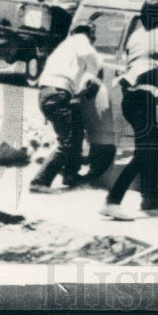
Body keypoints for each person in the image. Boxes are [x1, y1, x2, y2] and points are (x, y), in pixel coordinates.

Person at [101, 0, 158, 220]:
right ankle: (112, 201)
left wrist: (157, 86)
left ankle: (150, 196)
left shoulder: (136, 35)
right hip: (144, 101)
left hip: (131, 99)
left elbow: (137, 66)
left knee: (151, 145)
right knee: (146, 150)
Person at [29, 21, 104, 193]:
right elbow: (94, 61)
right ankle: (39, 181)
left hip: (50, 93)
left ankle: (71, 174)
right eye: (93, 34)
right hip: (58, 94)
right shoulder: (80, 41)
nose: (94, 38)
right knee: (68, 141)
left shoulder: (65, 46)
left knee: (76, 132)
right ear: (87, 33)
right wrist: (96, 78)